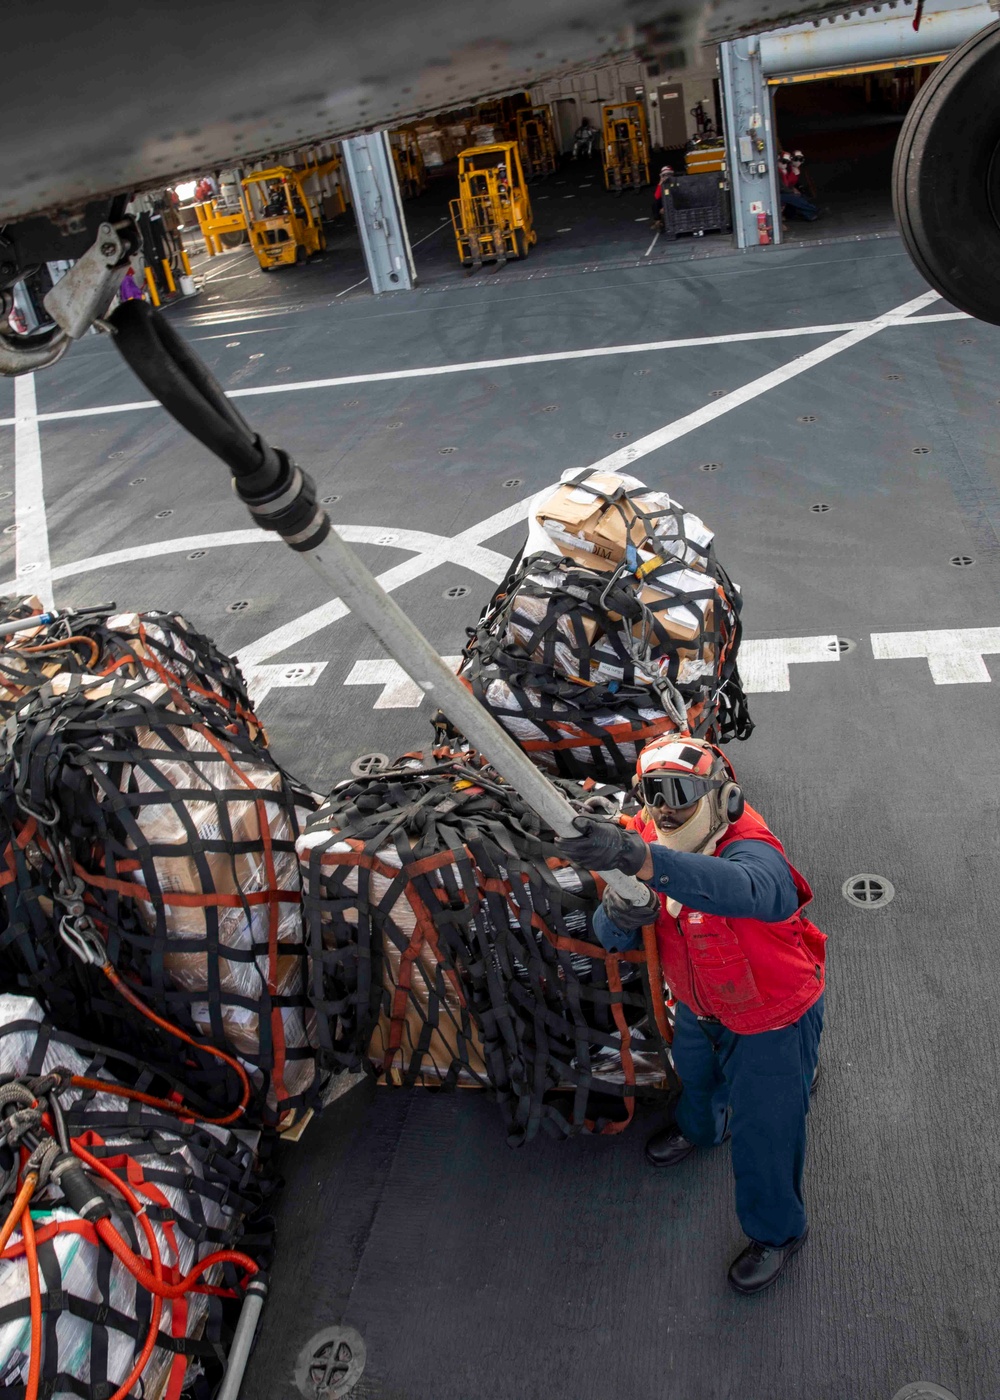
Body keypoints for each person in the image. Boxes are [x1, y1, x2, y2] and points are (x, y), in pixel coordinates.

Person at [555, 735, 826, 1295]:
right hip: (700, 1007)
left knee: (767, 1134)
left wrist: (643, 862)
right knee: (696, 1082)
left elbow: (757, 890)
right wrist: (620, 910)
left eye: (681, 793)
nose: (667, 809)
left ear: (723, 798)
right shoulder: (648, 837)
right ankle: (705, 1131)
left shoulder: (749, 845)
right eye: (653, 795)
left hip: (773, 1016)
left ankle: (778, 1232)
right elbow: (608, 935)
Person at [778, 150, 818, 222]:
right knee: (795, 198)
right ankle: (815, 210)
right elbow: (782, 186)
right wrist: (792, 191)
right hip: (781, 193)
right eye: (796, 159)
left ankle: (810, 215)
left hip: (787, 191)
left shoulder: (787, 170)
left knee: (800, 198)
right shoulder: (779, 171)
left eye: (801, 159)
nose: (798, 162)